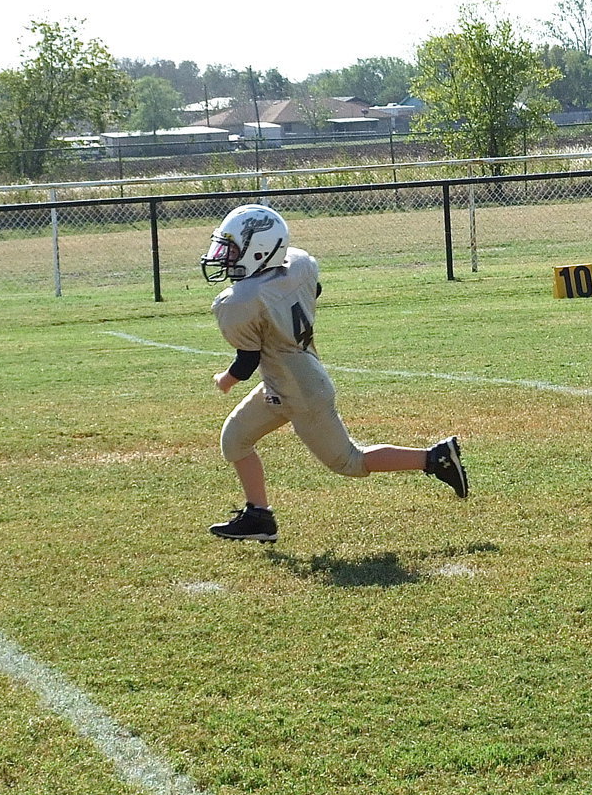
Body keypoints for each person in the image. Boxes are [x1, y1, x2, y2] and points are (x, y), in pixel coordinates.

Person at [201, 203, 468, 542]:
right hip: (287, 382)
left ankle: (436, 458)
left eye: (233, 248)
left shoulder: (241, 300)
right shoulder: (297, 266)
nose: (225, 256)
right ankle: (259, 517)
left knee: (350, 462)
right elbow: (313, 291)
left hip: (301, 391)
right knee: (235, 438)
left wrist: (226, 380)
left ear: (260, 250)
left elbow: (247, 360)